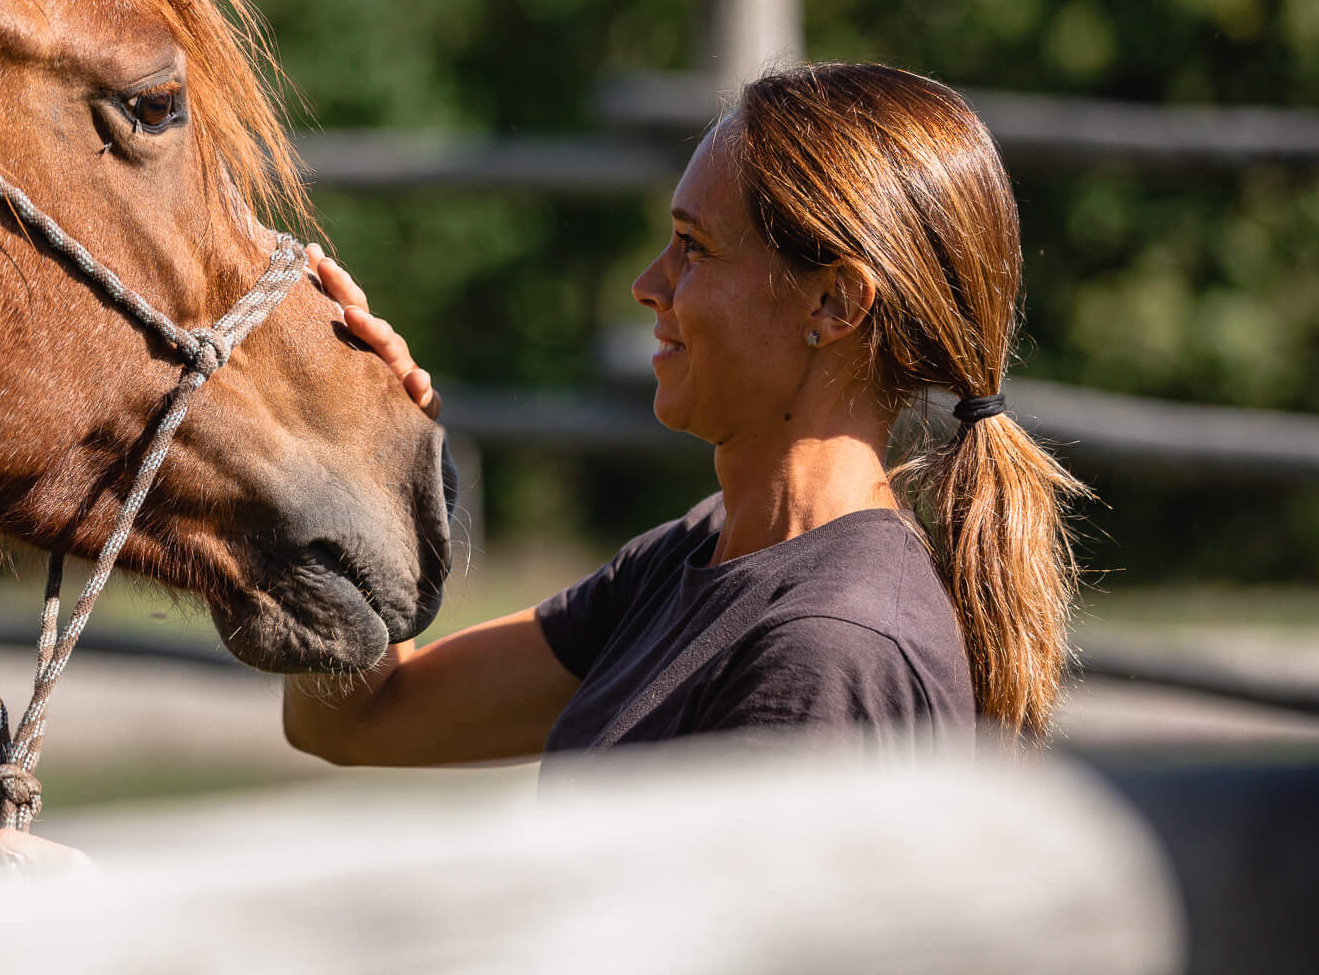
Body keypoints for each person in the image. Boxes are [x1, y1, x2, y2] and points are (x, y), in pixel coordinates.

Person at [286, 62, 1089, 765]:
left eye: (693, 247)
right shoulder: (697, 556)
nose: (649, 283)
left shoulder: (827, 649)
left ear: (834, 301)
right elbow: (359, 722)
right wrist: (359, 450)